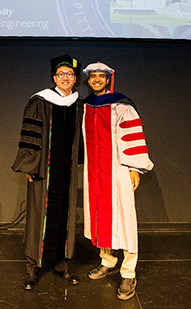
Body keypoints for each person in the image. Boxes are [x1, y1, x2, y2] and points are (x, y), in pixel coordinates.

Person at [82, 62, 154, 301]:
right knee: (102, 216)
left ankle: (128, 272)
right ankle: (107, 261)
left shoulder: (122, 107)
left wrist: (134, 168)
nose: (97, 80)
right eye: (93, 77)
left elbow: (132, 137)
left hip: (118, 171)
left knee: (124, 219)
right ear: (88, 81)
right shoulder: (86, 106)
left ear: (108, 79)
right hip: (94, 173)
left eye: (101, 76)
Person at [12, 54, 83, 290]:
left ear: (75, 80)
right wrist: (29, 166)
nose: (65, 78)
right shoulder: (40, 101)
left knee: (65, 214)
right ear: (54, 77)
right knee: (38, 215)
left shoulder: (78, 104)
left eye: (70, 75)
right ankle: (32, 267)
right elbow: (30, 135)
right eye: (61, 74)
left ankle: (61, 263)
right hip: (44, 170)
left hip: (67, 172)